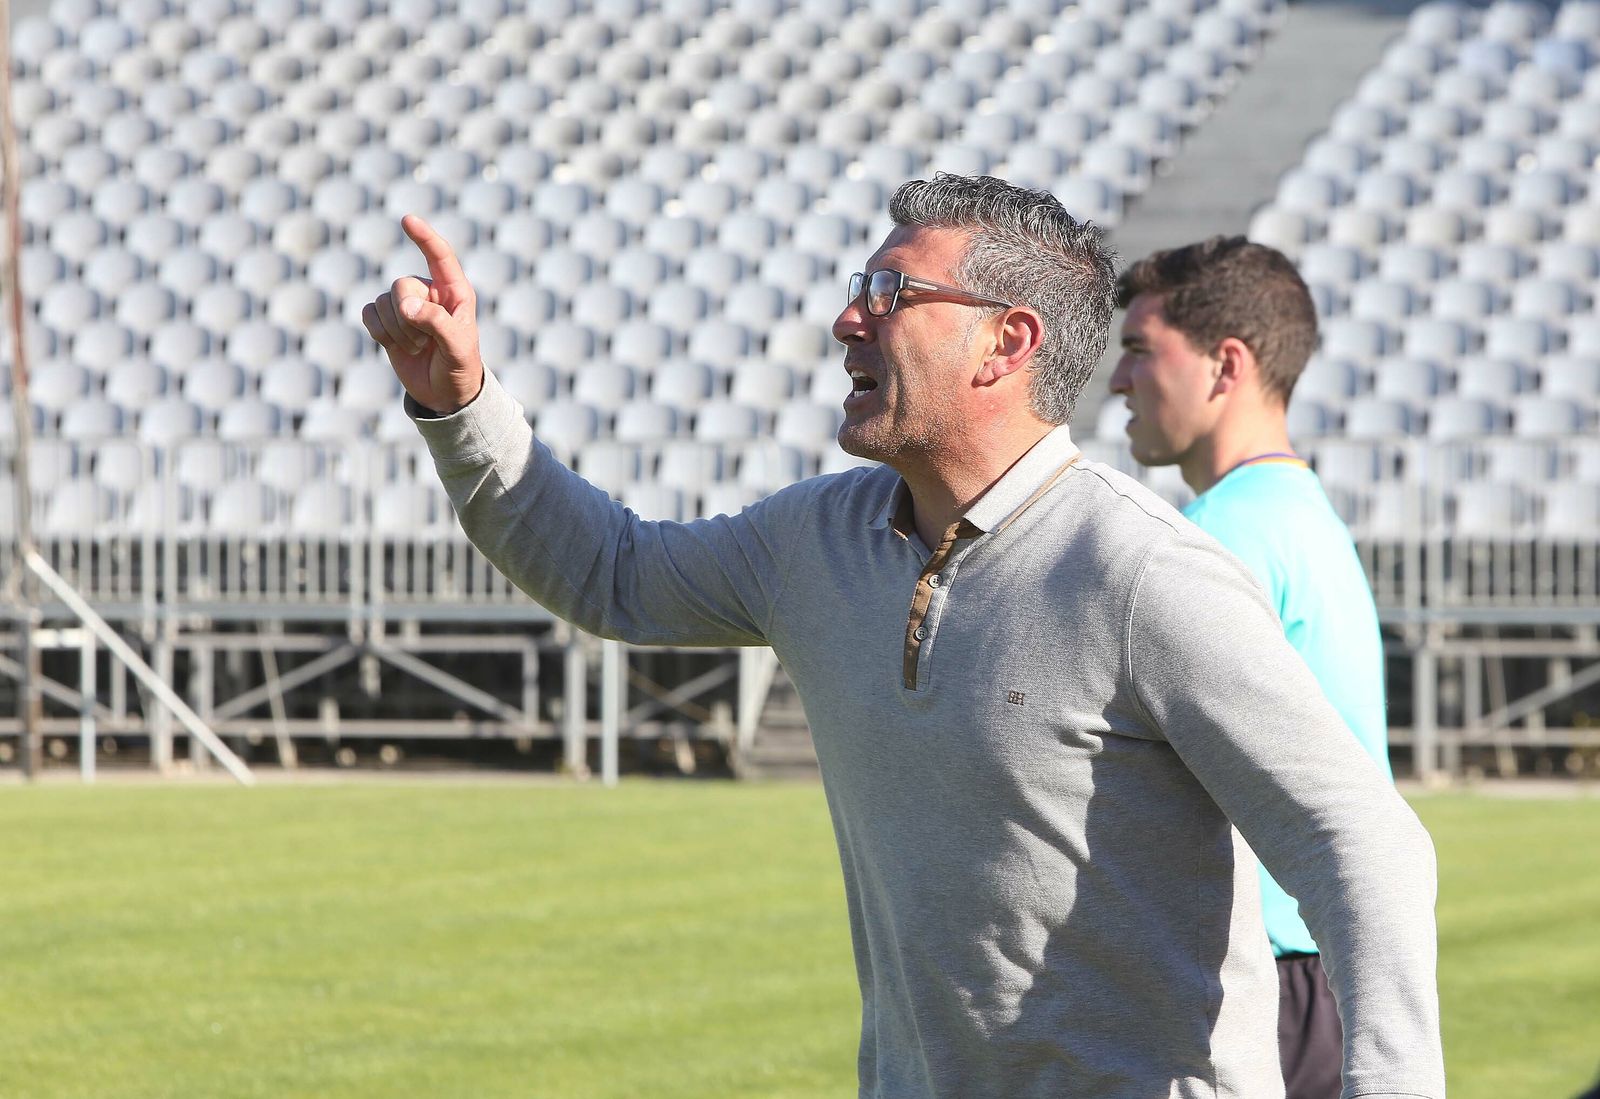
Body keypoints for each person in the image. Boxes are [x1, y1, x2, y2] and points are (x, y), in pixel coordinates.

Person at [362, 174, 1443, 1099]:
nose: (848, 321)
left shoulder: (1143, 572)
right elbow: (610, 572)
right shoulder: (810, 538)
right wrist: (463, 402)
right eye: (856, 291)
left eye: (890, 294)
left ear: (1005, 343)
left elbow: (1362, 839)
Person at [1110, 237, 1393, 1099]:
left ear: (1225, 364)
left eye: (1138, 352)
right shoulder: (1297, 515)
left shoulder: (1224, 539)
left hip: (1261, 968)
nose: (1119, 382)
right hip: (1312, 965)